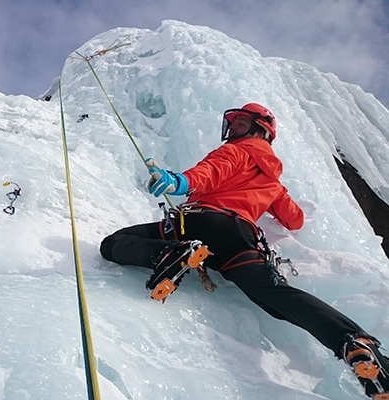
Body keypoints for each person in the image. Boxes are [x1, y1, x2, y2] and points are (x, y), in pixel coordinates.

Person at [99, 103, 389, 398]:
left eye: (241, 122)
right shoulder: (274, 182)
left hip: (197, 222)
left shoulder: (235, 151)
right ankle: (353, 343)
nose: (234, 128)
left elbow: (209, 172)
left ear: (261, 129)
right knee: (277, 296)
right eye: (234, 123)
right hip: (238, 238)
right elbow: (294, 219)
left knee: (113, 242)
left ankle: (169, 254)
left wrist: (179, 181)